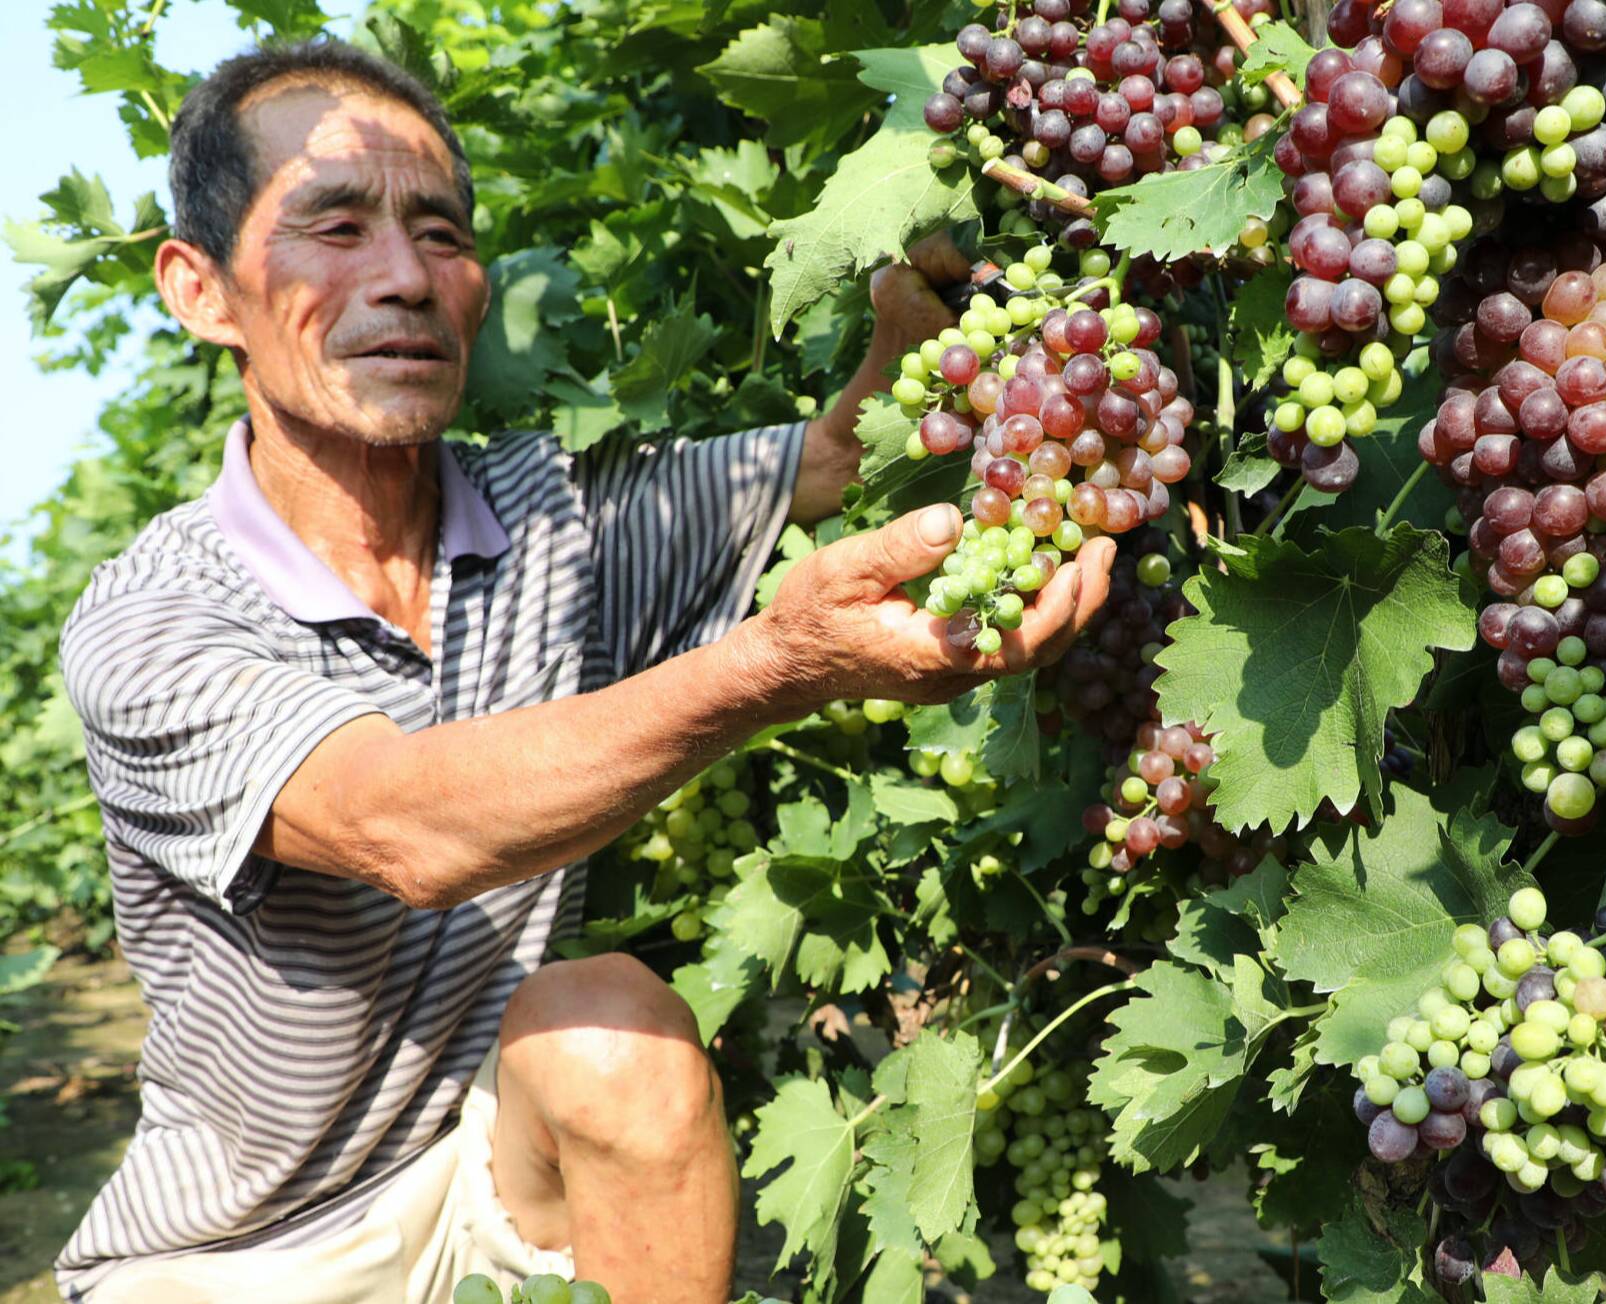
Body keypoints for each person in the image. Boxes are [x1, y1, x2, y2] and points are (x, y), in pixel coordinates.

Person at [53, 38, 1114, 1304]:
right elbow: (402, 824)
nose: (402, 277)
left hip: (493, 1165)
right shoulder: (155, 613)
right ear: (201, 290)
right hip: (243, 1250)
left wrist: (914, 334)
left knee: (616, 1027)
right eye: (334, 226)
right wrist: (777, 666)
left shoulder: (552, 509)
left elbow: (833, 458)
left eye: (440, 233)